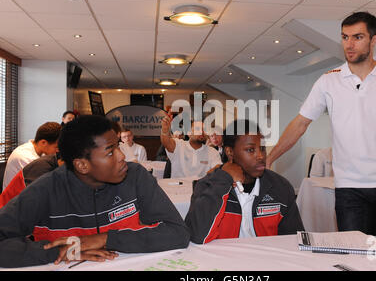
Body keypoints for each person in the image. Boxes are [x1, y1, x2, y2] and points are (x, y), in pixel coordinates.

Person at [266, 12, 376, 251]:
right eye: (344, 37)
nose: (349, 44)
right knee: (355, 256)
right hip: (348, 188)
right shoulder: (327, 81)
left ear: (374, 40)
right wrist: (269, 159)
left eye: (357, 37)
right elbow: (300, 123)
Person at [0, 115, 190, 268]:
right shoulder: (46, 189)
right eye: (110, 152)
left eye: (118, 146)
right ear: (82, 165)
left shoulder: (135, 176)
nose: (122, 156)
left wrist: (105, 239)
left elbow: (178, 233)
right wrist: (61, 251)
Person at [185, 119, 304, 244]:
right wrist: (223, 181)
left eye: (262, 148)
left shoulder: (280, 187)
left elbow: (295, 240)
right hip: (223, 261)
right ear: (230, 152)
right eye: (250, 150)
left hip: (267, 260)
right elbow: (196, 236)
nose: (261, 156)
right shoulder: (208, 185)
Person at [2, 122, 61, 191]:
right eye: (56, 147)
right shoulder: (25, 157)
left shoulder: (39, 150)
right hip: (14, 199)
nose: (58, 150)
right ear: (43, 142)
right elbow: (47, 184)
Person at [160, 114, 222, 179]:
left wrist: (206, 177)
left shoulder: (212, 151)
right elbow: (166, 142)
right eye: (197, 129)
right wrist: (165, 129)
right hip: (178, 187)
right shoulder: (179, 145)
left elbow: (218, 167)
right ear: (189, 133)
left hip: (201, 187)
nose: (201, 132)